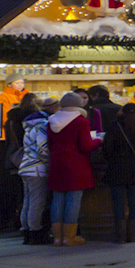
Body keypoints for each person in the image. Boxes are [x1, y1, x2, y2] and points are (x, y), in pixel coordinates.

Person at [46, 91, 101, 245]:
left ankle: (58, 237)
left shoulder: (51, 121)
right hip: (76, 164)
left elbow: (50, 145)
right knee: (73, 199)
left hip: (57, 162)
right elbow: (86, 146)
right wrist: (97, 141)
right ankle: (69, 237)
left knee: (57, 199)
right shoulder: (81, 122)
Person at [103, 102, 135, 242]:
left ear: (122, 112)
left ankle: (121, 235)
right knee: (134, 202)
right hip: (134, 168)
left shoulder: (113, 127)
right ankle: (132, 235)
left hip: (116, 168)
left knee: (118, 203)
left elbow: (107, 149)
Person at [15, 96, 52, 245]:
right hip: (37, 169)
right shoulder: (41, 127)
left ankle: (26, 230)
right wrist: (48, 162)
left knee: (28, 201)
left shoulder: (28, 128)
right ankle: (35, 232)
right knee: (38, 202)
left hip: (25, 167)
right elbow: (43, 149)